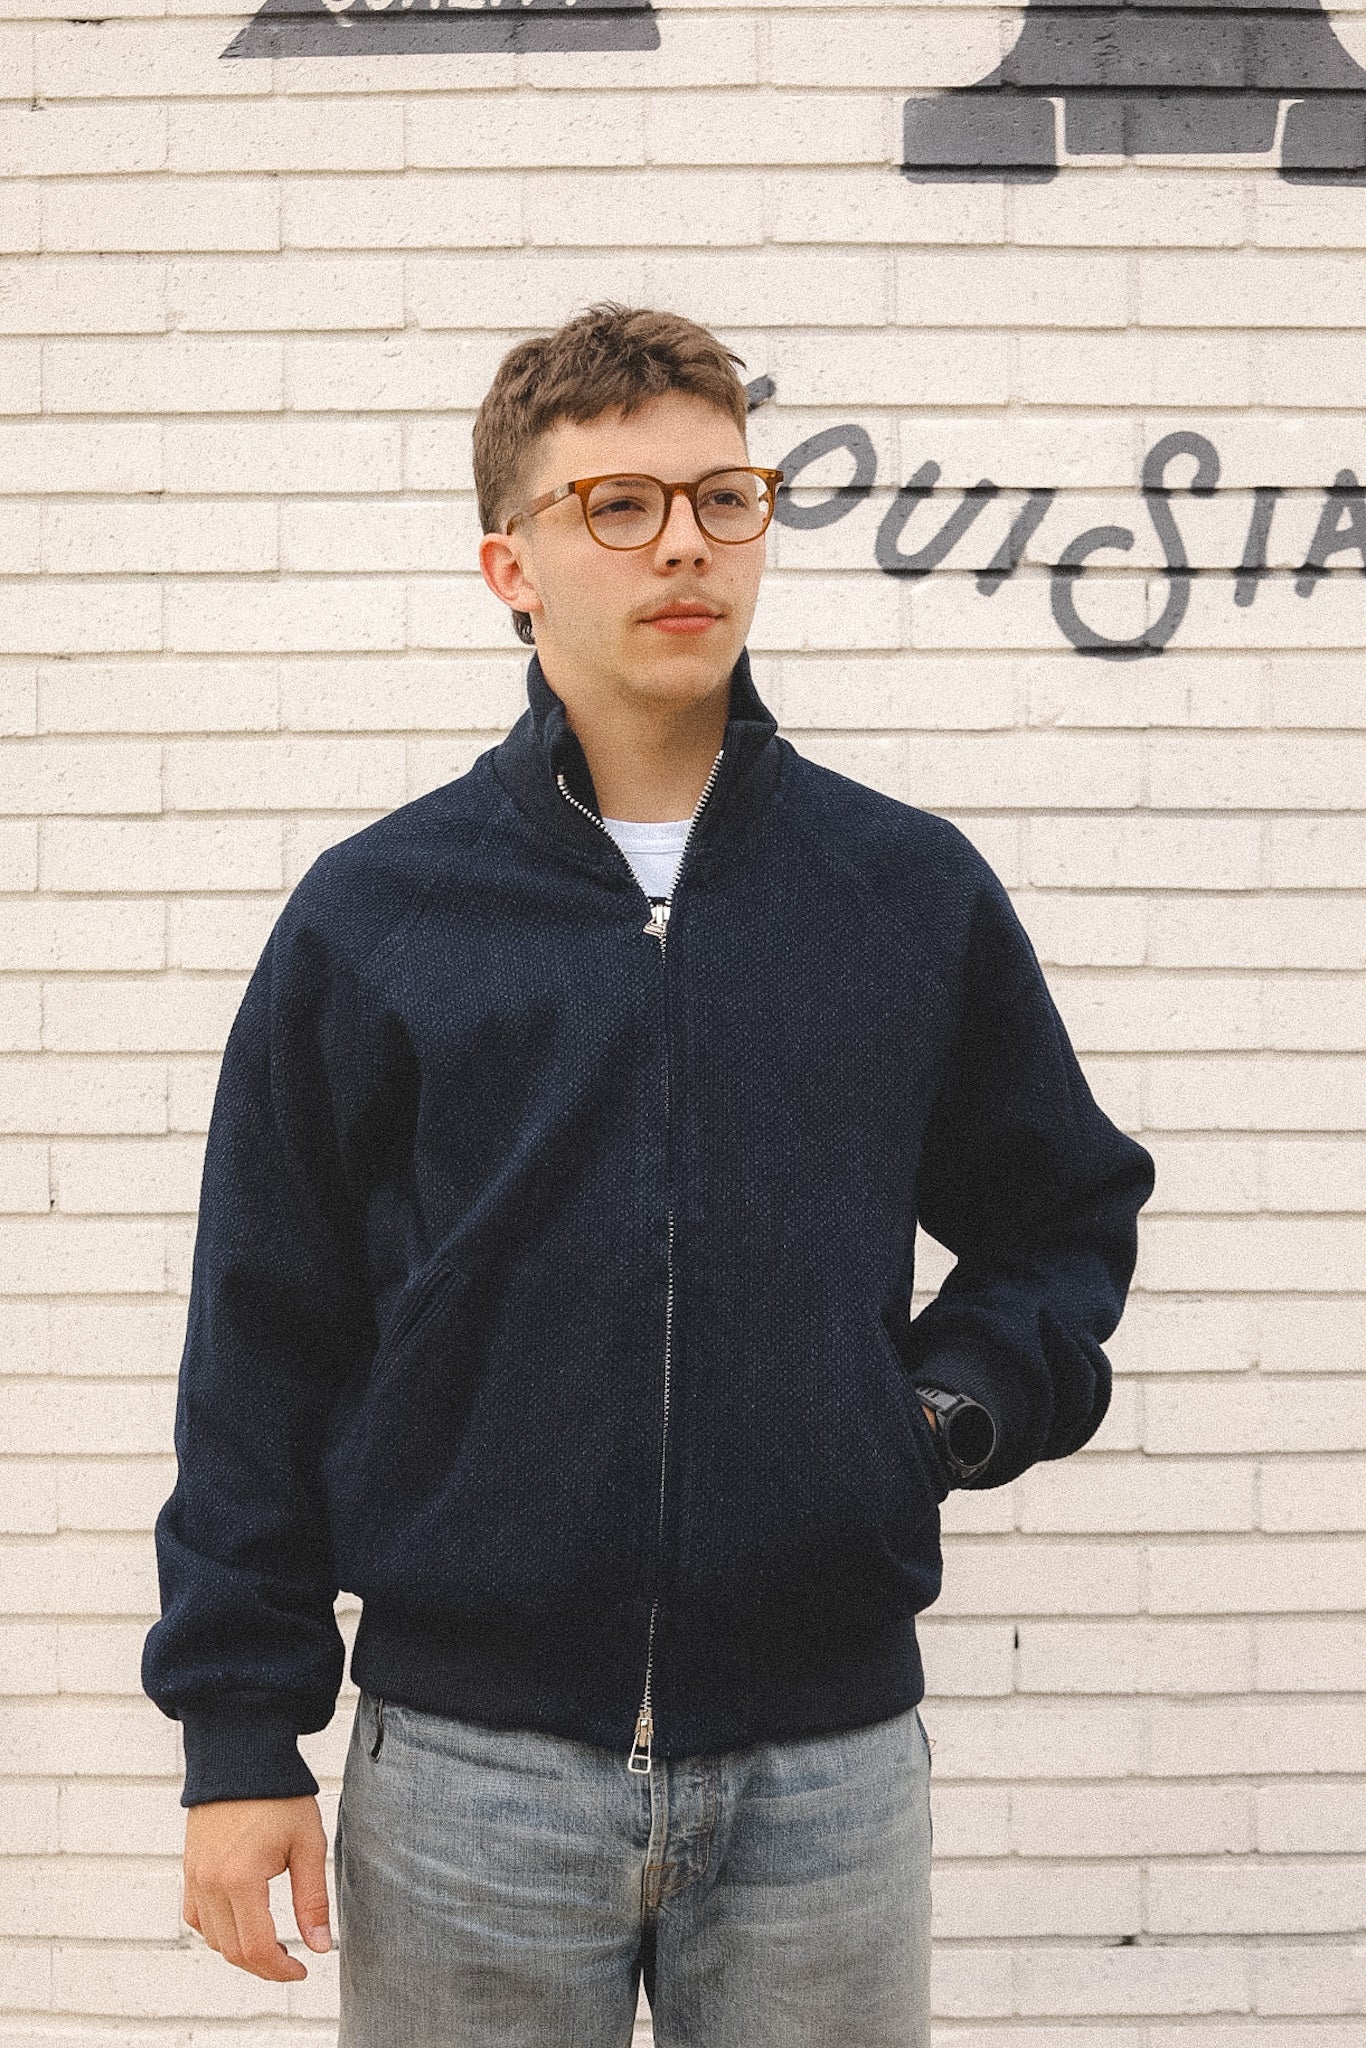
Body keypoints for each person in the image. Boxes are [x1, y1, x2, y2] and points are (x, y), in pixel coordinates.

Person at [142, 302, 1156, 2047]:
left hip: (823, 1773)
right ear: (509, 565)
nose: (682, 543)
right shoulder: (380, 915)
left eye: (723, 496)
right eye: (615, 505)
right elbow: (261, 1333)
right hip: (467, 1776)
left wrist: (935, 1417)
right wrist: (242, 1736)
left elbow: (1058, 1217)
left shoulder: (901, 894)